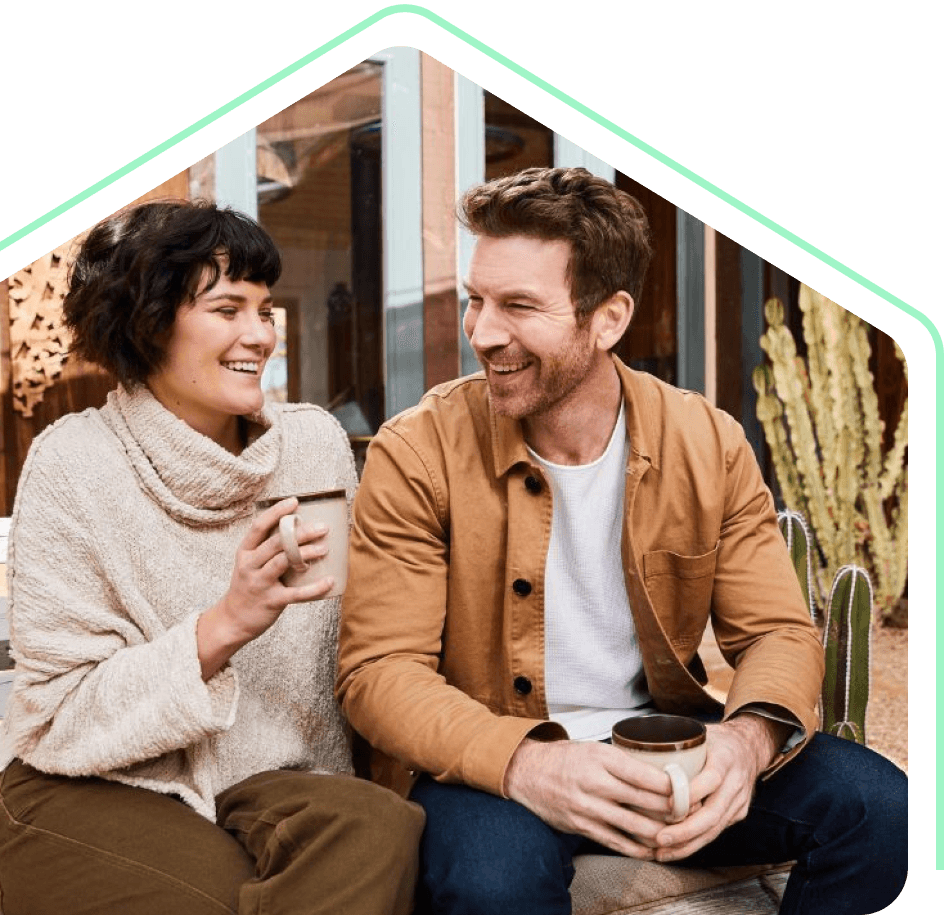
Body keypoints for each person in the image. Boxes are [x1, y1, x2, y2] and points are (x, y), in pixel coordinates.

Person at [336, 168, 907, 915]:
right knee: (491, 884)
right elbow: (378, 671)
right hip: (494, 766)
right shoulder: (418, 451)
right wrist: (527, 766)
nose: (481, 331)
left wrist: (746, 742)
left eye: (517, 306)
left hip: (670, 751)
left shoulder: (709, 441)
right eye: (474, 300)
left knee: (885, 811)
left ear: (608, 319)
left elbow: (775, 631)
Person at [0, 199, 424, 915]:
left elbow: (359, 637)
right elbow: (61, 713)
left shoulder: (311, 446)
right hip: (88, 777)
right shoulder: (73, 464)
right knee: (214, 898)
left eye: (265, 309)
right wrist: (223, 624)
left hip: (266, 779)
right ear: (148, 322)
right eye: (227, 308)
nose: (260, 334)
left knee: (383, 826)